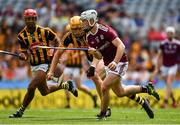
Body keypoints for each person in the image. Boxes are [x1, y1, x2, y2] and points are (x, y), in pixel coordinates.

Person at [80, 9, 160, 119]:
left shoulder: (106, 30)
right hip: (109, 64)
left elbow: (121, 46)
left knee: (104, 87)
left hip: (120, 61)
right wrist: (95, 53)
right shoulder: (89, 37)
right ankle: (146, 89)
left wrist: (115, 61)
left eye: (84, 21)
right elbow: (99, 56)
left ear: (92, 20)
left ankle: (103, 113)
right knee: (120, 92)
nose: (82, 24)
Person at [9, 9, 78, 118]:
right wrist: (23, 56)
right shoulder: (21, 36)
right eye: (28, 19)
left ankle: (20, 111)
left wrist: (54, 54)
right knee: (44, 91)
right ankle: (66, 85)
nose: (30, 21)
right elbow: (23, 52)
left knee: (31, 87)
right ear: (25, 20)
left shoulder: (45, 31)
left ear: (36, 19)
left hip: (45, 64)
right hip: (34, 66)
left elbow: (57, 41)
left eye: (32, 19)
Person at [151, 26, 180, 108]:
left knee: (169, 82)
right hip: (164, 66)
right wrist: (157, 68)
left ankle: (165, 102)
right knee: (168, 85)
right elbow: (159, 56)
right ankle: (174, 100)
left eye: (171, 33)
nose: (170, 35)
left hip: (173, 66)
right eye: (168, 33)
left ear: (174, 34)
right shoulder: (163, 44)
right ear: (166, 34)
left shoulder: (178, 44)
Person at [62, 42, 97, 108]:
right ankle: (68, 103)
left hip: (77, 67)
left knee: (79, 86)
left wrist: (86, 70)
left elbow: (83, 61)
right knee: (65, 84)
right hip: (68, 67)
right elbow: (63, 60)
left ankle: (92, 95)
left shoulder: (80, 49)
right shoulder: (68, 47)